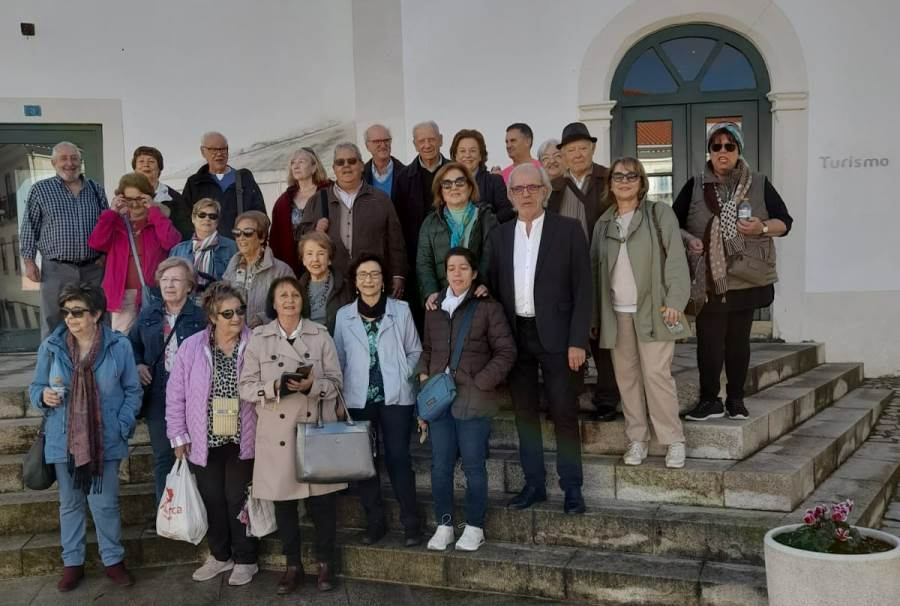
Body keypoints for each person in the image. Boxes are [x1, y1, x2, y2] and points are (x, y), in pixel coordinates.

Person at [487, 163, 590, 515]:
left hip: (560, 338)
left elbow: (584, 289)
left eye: (533, 188)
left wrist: (579, 341)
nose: (526, 194)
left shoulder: (569, 230)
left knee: (563, 412)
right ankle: (534, 485)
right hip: (516, 337)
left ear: (546, 192)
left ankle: (572, 487)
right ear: (510, 195)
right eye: (518, 189)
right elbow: (491, 288)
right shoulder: (500, 235)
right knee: (524, 416)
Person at [674, 122, 792, 422]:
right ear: (709, 152)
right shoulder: (695, 185)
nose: (723, 151)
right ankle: (710, 400)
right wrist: (691, 240)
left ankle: (736, 401)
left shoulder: (760, 183)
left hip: (747, 276)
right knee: (709, 342)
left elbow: (785, 223)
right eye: (717, 146)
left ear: (738, 150)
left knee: (738, 342)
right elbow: (673, 226)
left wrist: (761, 227)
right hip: (709, 279)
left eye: (729, 145)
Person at [29, 283, 141, 591]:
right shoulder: (51, 346)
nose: (70, 318)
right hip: (62, 439)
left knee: (104, 504)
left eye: (78, 312)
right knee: (70, 504)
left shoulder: (118, 347)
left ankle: (114, 561)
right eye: (66, 312)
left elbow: (133, 390)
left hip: (104, 440)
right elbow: (35, 388)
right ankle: (72, 564)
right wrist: (44, 397)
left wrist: (121, 425)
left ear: (97, 314)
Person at [238, 277, 344, 595]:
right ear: (273, 302)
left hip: (316, 429)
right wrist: (274, 387)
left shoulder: (320, 335)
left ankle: (325, 563)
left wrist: (313, 386)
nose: (289, 300)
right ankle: (292, 565)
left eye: (294, 294)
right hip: (278, 433)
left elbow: (337, 381)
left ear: (302, 300)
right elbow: (245, 386)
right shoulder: (260, 338)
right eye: (282, 295)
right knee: (285, 505)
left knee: (323, 503)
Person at [591, 158, 691, 469]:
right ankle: (637, 439)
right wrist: (595, 318)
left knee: (657, 376)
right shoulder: (603, 224)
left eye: (631, 175)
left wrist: (676, 300)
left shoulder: (659, 214)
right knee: (627, 379)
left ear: (641, 181)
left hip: (654, 310)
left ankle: (673, 440)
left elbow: (676, 259)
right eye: (617, 176)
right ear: (610, 184)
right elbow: (595, 272)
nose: (624, 181)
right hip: (616, 315)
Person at [417, 247, 516, 552]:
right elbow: (428, 350)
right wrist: (424, 381)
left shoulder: (488, 308)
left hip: (474, 400)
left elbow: (506, 352)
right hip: (439, 402)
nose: (456, 274)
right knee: (440, 466)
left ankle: (475, 526)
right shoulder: (434, 308)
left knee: (474, 466)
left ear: (474, 274)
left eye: (463, 268)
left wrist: (481, 381)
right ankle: (444, 524)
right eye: (451, 268)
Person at [165, 282, 259, 586]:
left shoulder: (256, 342)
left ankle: (246, 559)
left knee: (236, 499)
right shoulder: (192, 347)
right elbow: (175, 394)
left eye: (240, 311)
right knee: (212, 499)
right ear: (213, 317)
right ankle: (221, 556)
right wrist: (178, 435)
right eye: (228, 313)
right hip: (204, 439)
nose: (236, 318)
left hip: (243, 437)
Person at [333, 254, 423, 547]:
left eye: (374, 274)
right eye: (363, 275)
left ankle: (412, 523)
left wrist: (403, 373)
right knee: (365, 462)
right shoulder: (344, 316)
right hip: (359, 399)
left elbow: (415, 351)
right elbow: (339, 359)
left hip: (396, 397)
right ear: (355, 282)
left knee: (398, 458)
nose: (369, 279)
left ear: (384, 281)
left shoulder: (401, 310)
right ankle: (375, 522)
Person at [547, 122, 620, 422]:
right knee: (570, 336)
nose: (577, 154)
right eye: (570, 150)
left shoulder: (609, 179)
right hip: (566, 274)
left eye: (582, 148)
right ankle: (570, 398)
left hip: (605, 266)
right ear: (562, 154)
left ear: (592, 149)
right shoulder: (554, 187)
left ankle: (606, 400)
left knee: (603, 337)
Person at [128, 258, 207, 506]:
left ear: (189, 286)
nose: (169, 285)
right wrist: (138, 364)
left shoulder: (201, 316)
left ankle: (198, 512)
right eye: (165, 280)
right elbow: (130, 345)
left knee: (197, 454)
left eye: (176, 280)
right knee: (164, 456)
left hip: (195, 394)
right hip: (159, 393)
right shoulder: (148, 314)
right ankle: (168, 514)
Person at [20, 141, 107, 337]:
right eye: (64, 158)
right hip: (56, 269)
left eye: (74, 158)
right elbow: (29, 227)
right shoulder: (40, 190)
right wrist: (29, 261)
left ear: (80, 161)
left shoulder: (95, 189)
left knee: (96, 318)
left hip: (93, 269)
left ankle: (94, 365)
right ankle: (53, 366)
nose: (70, 163)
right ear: (53, 163)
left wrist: (105, 255)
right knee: (53, 321)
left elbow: (107, 225)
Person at [297, 142, 406, 298]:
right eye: (340, 162)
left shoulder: (380, 199)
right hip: (331, 286)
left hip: (371, 284)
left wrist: (398, 275)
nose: (346, 166)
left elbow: (396, 242)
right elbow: (301, 238)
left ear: (362, 166)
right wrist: (315, 230)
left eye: (352, 161)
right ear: (334, 168)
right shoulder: (318, 200)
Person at [87, 172, 181, 333]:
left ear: (148, 197)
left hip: (153, 292)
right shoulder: (115, 221)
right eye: (129, 200)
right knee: (123, 341)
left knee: (154, 341)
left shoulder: (157, 220)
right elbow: (96, 243)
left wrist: (154, 212)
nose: (135, 204)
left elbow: (172, 242)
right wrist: (111, 213)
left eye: (139, 199)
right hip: (122, 295)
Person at [416, 162, 499, 308]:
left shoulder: (486, 218)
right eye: (447, 184)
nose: (453, 187)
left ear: (470, 186)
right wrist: (431, 292)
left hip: (479, 297)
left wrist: (485, 285)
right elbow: (424, 263)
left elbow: (493, 257)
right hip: (443, 301)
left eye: (459, 182)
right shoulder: (430, 223)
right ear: (440, 191)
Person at [394, 121, 451, 309]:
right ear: (414, 144)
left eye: (431, 139)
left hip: (452, 255)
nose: (427, 145)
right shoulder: (403, 178)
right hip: (418, 259)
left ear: (441, 140)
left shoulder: (454, 172)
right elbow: (399, 225)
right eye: (421, 141)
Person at [181, 131, 266, 236]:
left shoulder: (244, 180)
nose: (219, 153)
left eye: (223, 149)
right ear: (203, 151)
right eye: (213, 149)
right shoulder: (194, 183)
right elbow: (184, 220)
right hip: (206, 249)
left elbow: (261, 217)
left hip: (240, 247)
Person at [222, 210, 295, 328]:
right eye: (237, 233)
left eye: (248, 233)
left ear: (262, 238)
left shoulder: (281, 271)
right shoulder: (231, 269)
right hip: (237, 340)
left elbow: (292, 307)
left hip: (270, 340)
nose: (241, 238)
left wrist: (263, 318)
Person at [269, 147, 331, 276]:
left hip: (321, 261)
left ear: (314, 167)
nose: (296, 166)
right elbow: (276, 238)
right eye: (293, 163)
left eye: (301, 162)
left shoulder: (330, 192)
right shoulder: (283, 201)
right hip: (292, 264)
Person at [169, 198, 239, 293]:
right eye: (202, 215)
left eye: (212, 216)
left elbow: (237, 282)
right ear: (193, 219)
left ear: (217, 221)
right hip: (187, 303)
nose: (207, 219)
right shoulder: (178, 250)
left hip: (218, 302)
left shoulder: (231, 247)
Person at [450, 129, 514, 223]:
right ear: (455, 155)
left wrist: (484, 224)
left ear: (480, 155)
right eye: (462, 151)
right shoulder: (445, 182)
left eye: (473, 151)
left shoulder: (494, 181)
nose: (467, 155)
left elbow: (507, 212)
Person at [132, 145, 192, 239]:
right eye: (141, 161)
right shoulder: (126, 197)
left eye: (151, 161)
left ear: (159, 168)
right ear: (135, 169)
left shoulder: (174, 198)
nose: (146, 164)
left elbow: (185, 232)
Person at [297, 232, 352, 333]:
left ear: (329, 259)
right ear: (303, 260)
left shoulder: (346, 287)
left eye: (321, 253)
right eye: (309, 254)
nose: (315, 259)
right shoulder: (296, 289)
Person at [363, 124, 405, 200]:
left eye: (386, 140)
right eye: (377, 141)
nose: (383, 145)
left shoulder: (406, 174)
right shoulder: (360, 176)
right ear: (367, 146)